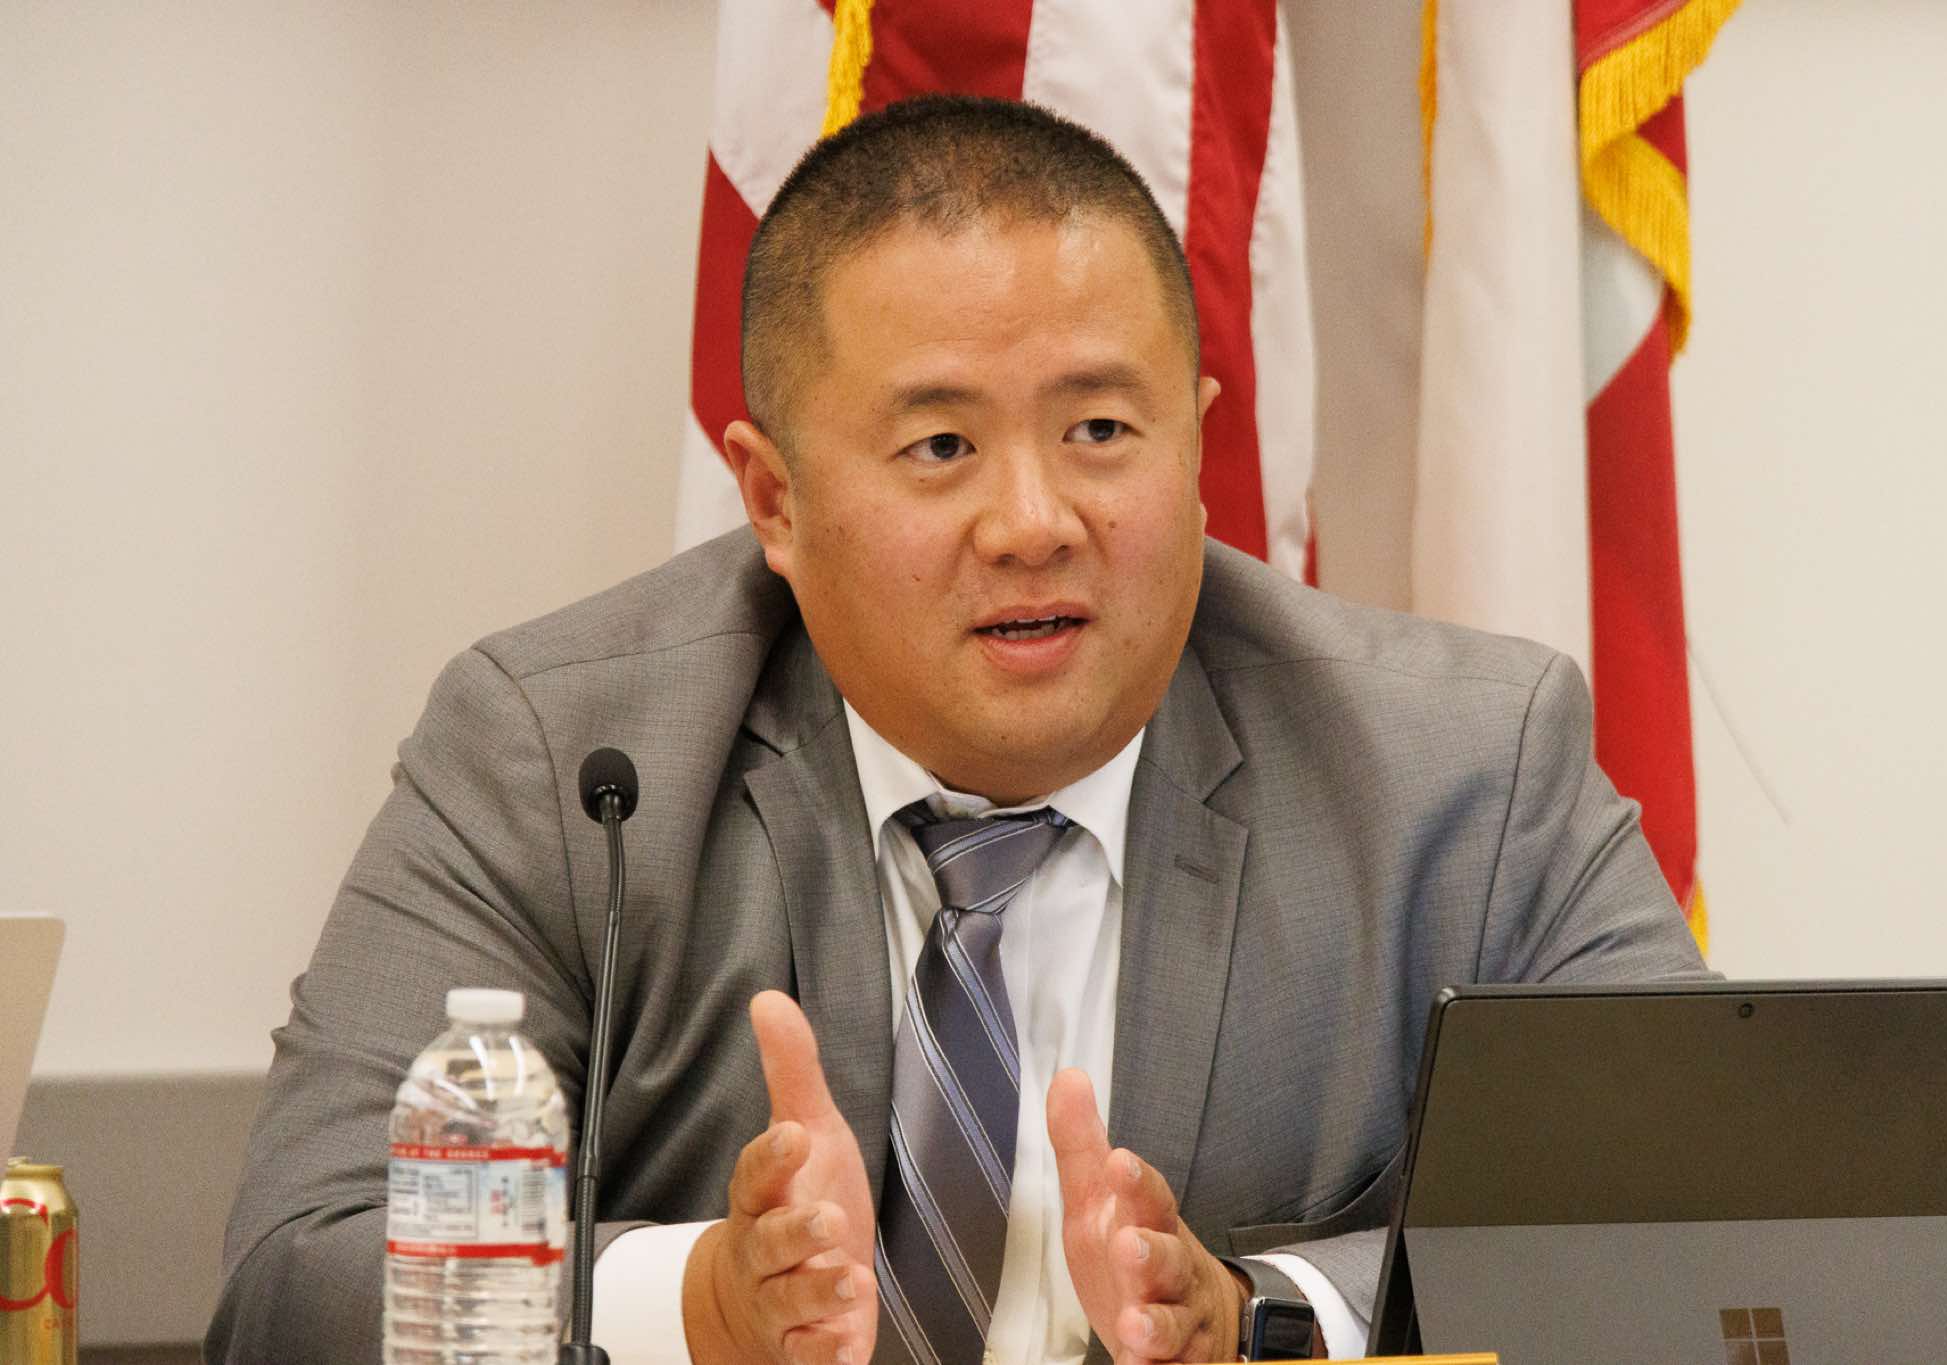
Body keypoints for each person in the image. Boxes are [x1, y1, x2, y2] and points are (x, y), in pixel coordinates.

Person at [207, 95, 1704, 1364]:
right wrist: (702, 1306)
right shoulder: (567, 758)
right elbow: (296, 1278)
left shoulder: (1464, 770)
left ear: (1197, 439)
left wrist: (1267, 1321)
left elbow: (1701, 1229)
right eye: (940, 446)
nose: (1035, 522)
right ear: (774, 499)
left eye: (1101, 431)